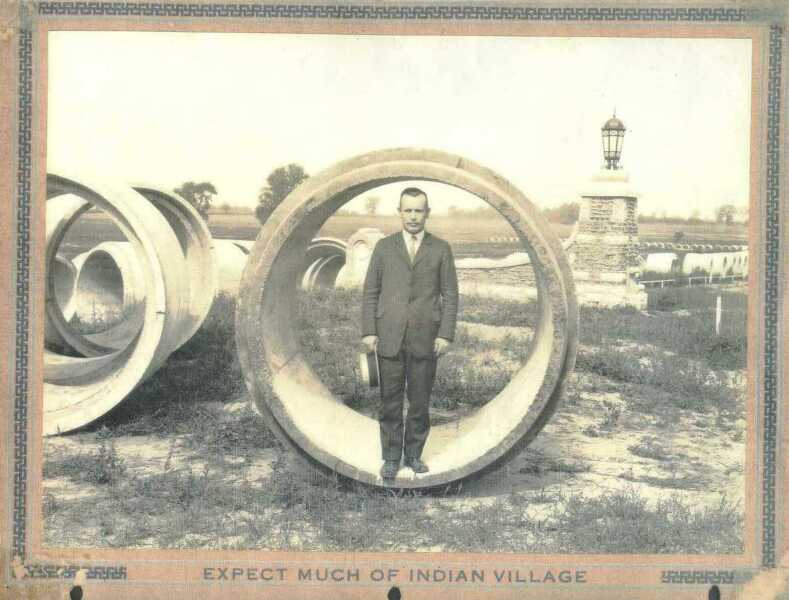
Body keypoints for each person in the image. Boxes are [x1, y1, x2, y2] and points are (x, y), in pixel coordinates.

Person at [361, 187, 459, 480]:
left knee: (419, 401)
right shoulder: (384, 248)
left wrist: (445, 334)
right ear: (399, 212)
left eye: (419, 210)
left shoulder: (441, 249)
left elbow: (450, 295)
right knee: (389, 402)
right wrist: (369, 330)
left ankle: (414, 455)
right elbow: (370, 292)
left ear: (427, 213)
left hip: (426, 339)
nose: (413, 216)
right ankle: (391, 458)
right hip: (388, 336)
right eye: (408, 210)